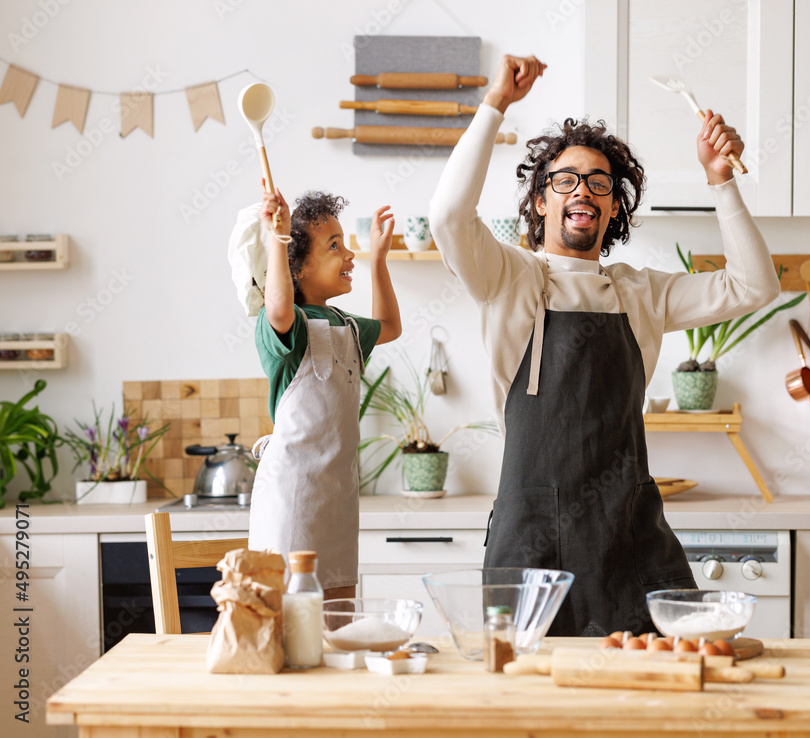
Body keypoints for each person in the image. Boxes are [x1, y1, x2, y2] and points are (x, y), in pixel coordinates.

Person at [428, 55, 780, 636]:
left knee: (648, 707)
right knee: (529, 714)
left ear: (614, 207)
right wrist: (495, 105)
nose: (582, 190)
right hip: (530, 539)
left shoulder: (641, 293)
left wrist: (722, 179)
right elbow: (446, 214)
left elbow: (754, 284)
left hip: (629, 539)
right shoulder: (505, 279)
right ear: (540, 201)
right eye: (564, 180)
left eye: (598, 182)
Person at [249, 186, 402, 600]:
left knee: (336, 617)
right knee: (291, 624)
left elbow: (389, 326)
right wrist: (277, 238)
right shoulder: (283, 323)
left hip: (338, 498)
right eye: (335, 246)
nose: (348, 254)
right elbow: (279, 308)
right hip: (291, 499)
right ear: (296, 268)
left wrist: (378, 260)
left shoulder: (347, 325)